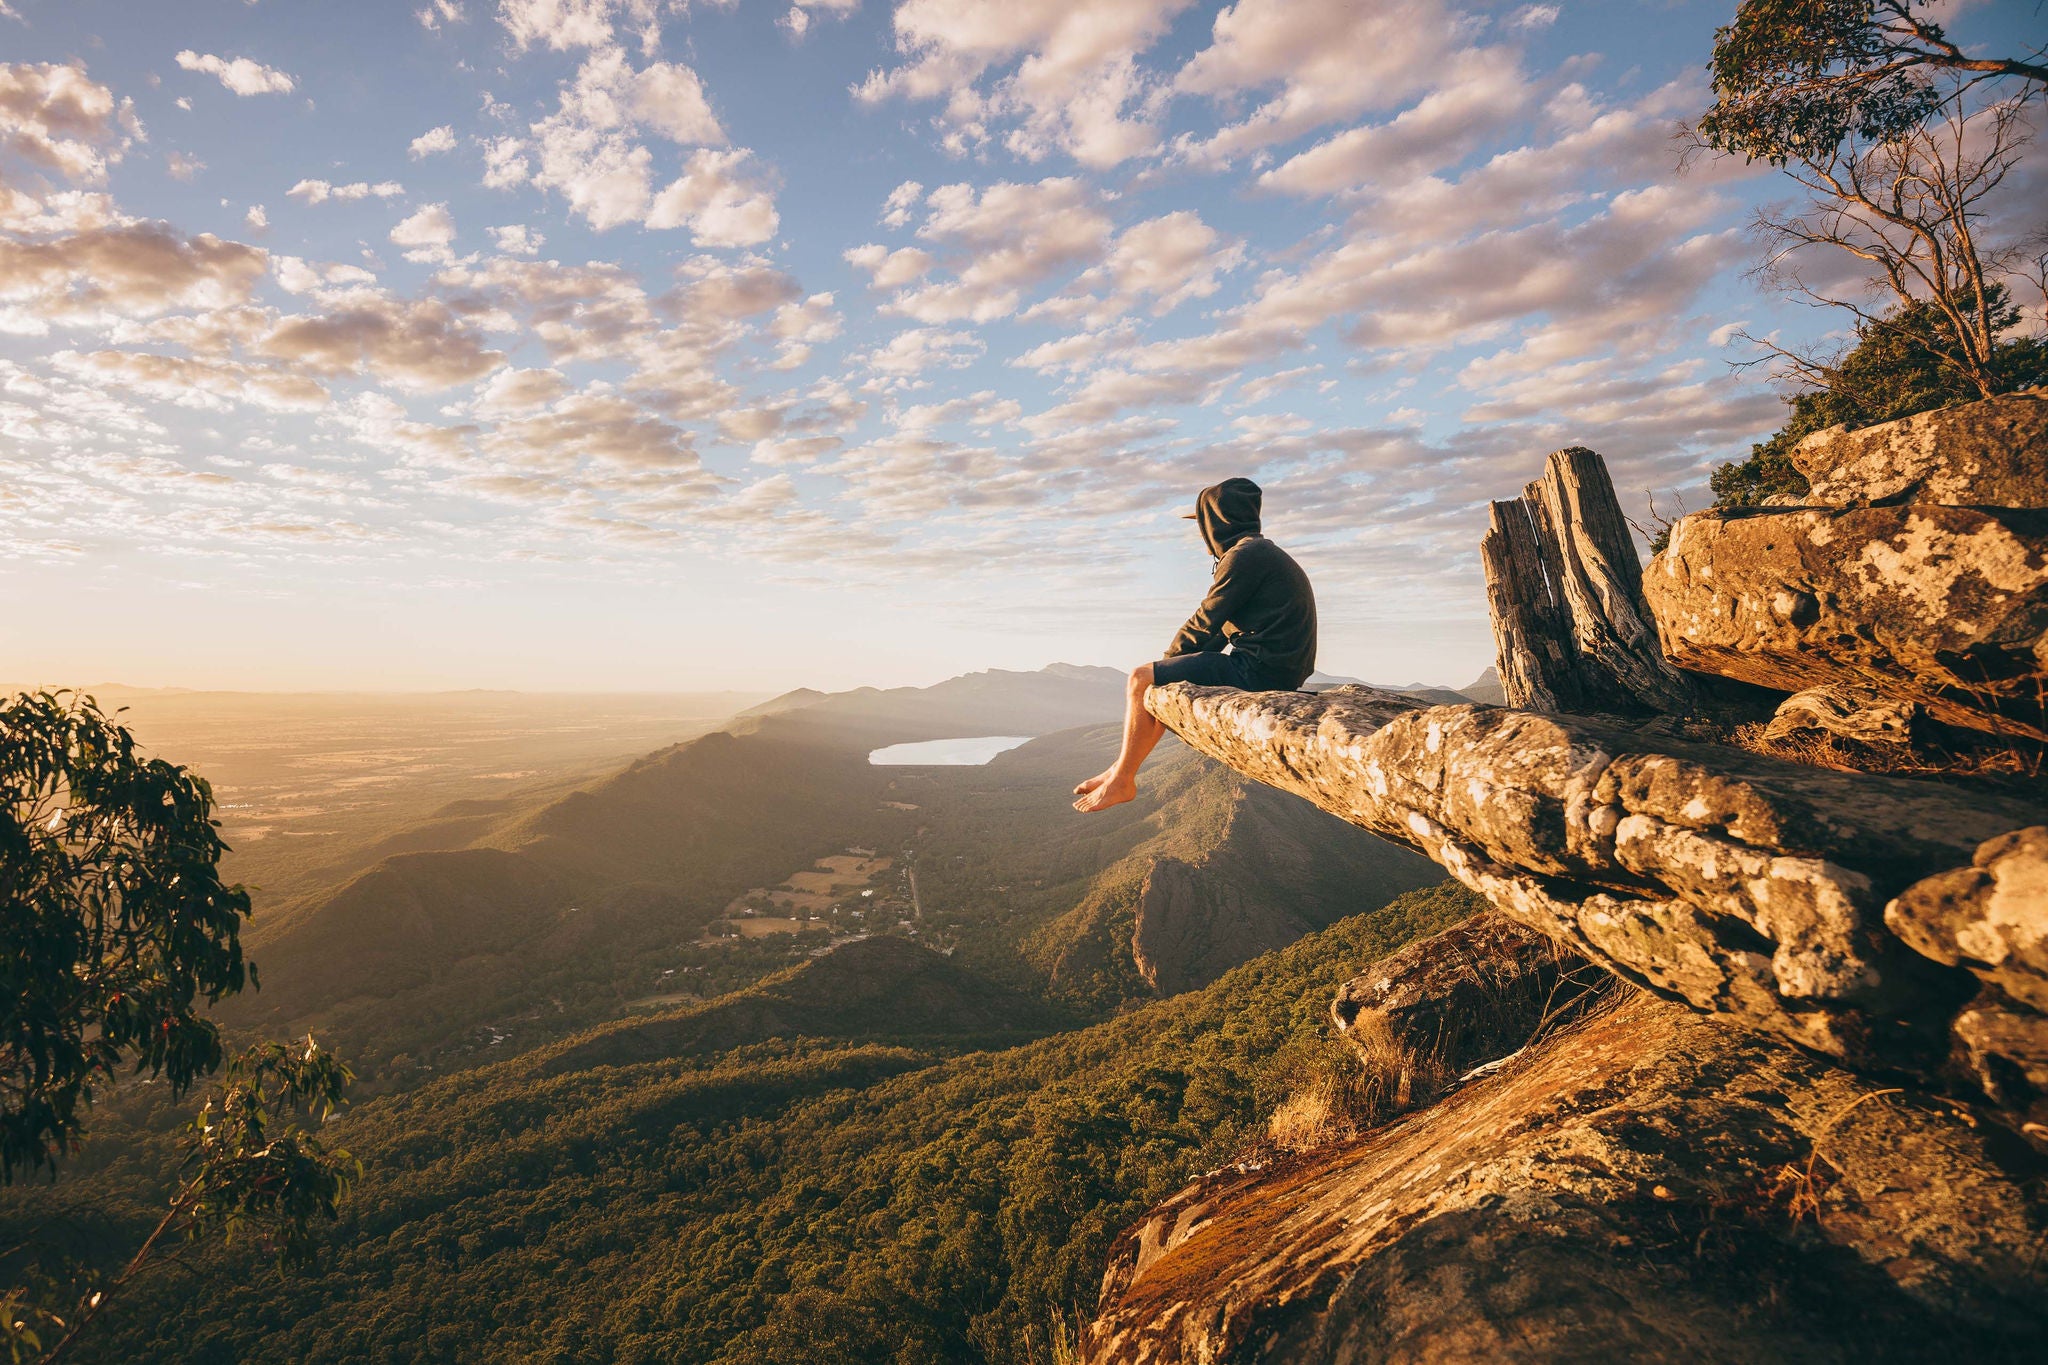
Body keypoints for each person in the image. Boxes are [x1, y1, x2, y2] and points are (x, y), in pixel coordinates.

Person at [1073, 477, 1317, 813]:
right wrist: (1171, 667)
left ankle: (1123, 779)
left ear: (1214, 523)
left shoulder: (1244, 556)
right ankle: (1119, 770)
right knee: (1157, 676)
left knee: (1139, 678)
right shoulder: (1259, 553)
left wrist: (1159, 667)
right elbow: (1215, 632)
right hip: (1276, 670)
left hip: (1258, 673)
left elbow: (1204, 620)